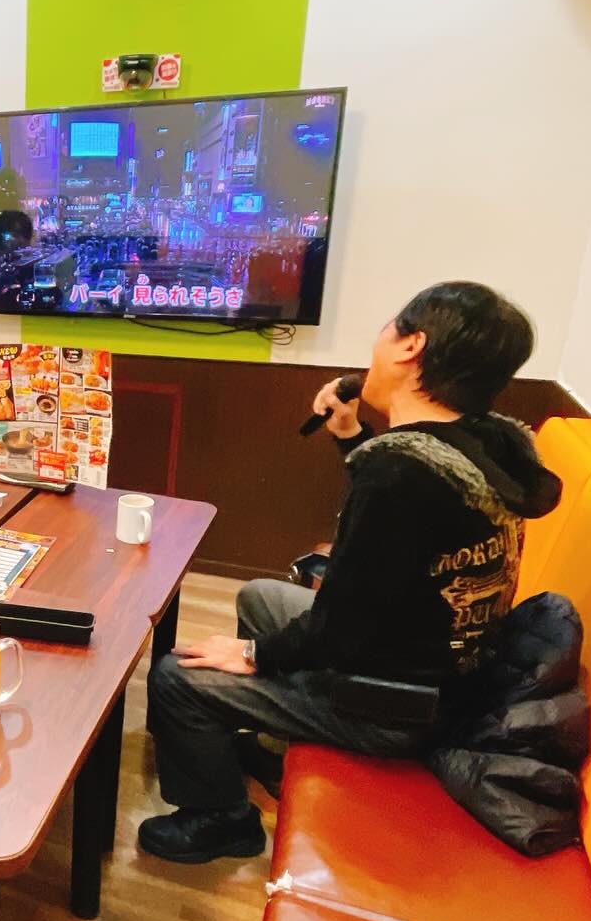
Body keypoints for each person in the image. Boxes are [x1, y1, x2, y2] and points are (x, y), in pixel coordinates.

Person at [142, 281, 561, 864]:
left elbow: (342, 628)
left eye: (388, 328)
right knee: (262, 596)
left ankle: (221, 819)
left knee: (177, 677)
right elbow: (404, 530)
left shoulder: (399, 473)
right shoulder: (490, 442)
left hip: (397, 706)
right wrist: (350, 435)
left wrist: (255, 656)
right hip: (451, 672)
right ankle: (271, 747)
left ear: (411, 346)